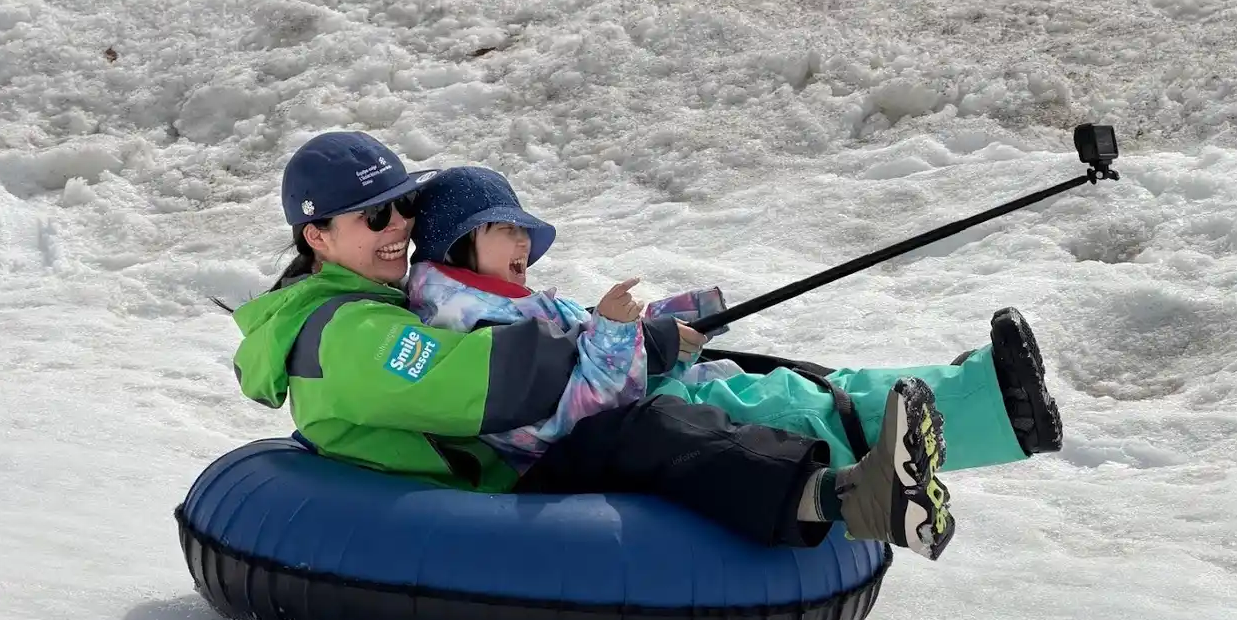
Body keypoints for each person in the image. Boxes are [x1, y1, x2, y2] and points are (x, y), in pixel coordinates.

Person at [226, 130, 956, 561]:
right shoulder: (349, 333)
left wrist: (648, 336)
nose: (398, 228)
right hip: (490, 489)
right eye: (373, 217)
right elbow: (488, 379)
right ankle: (848, 497)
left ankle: (876, 454)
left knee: (708, 390)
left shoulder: (370, 305)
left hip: (500, 463)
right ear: (317, 236)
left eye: (403, 207)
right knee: (640, 431)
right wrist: (629, 344)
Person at [404, 165, 1062, 482]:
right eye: (501, 228)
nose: (522, 240)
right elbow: (565, 416)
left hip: (653, 400)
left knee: (807, 382)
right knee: (795, 409)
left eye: (522, 227)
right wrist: (616, 333)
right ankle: (998, 412)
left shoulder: (507, 306)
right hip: (629, 433)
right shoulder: (476, 330)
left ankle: (978, 391)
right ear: (458, 244)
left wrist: (670, 329)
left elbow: (591, 358)